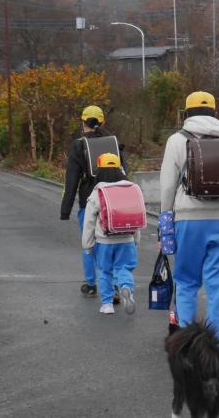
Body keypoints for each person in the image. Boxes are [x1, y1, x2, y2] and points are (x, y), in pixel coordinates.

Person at [159, 91, 219, 343]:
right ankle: (217, 342)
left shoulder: (176, 140)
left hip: (189, 218)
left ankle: (186, 338)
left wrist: (166, 221)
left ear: (186, 113)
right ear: (215, 113)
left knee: (186, 280)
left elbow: (168, 186)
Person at [60, 105, 126, 299]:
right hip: (113, 199)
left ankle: (91, 284)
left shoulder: (79, 145)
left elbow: (71, 179)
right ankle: (113, 284)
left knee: (89, 243)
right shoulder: (113, 142)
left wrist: (65, 210)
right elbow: (124, 172)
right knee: (111, 241)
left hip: (89, 199)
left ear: (83, 123)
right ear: (103, 122)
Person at [82, 153, 140, 315]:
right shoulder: (130, 189)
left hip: (104, 241)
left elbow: (89, 223)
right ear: (119, 168)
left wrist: (87, 245)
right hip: (127, 238)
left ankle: (107, 304)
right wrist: (135, 239)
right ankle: (126, 287)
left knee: (105, 271)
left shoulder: (97, 193)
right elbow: (136, 216)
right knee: (125, 268)